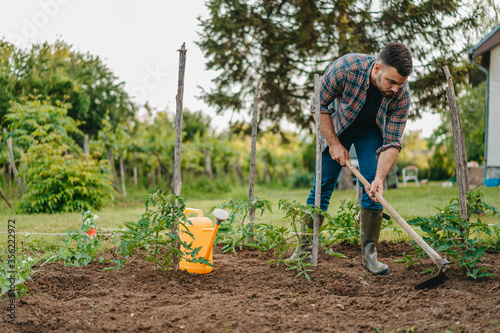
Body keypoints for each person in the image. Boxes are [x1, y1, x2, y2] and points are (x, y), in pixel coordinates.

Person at [289, 43, 413, 276]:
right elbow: (319, 103)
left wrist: (379, 178)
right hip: (339, 126)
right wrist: (334, 144)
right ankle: (305, 249)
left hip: (372, 133)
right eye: (392, 82)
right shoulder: (346, 68)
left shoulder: (402, 96)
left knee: (373, 189)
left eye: (401, 84)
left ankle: (370, 255)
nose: (396, 89)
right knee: (322, 186)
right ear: (377, 68)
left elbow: (393, 141)